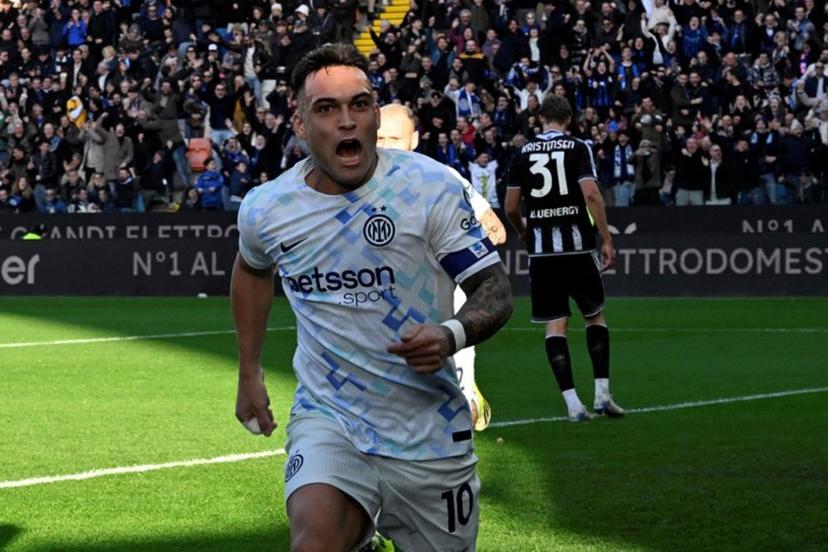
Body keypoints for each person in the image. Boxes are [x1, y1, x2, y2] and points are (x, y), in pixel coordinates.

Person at [231, 44, 513, 552]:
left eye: (359, 105)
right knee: (314, 542)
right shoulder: (268, 209)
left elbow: (493, 289)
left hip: (428, 431)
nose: (346, 121)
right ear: (299, 125)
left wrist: (449, 336)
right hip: (331, 417)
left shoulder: (428, 188)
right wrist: (249, 372)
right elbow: (251, 271)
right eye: (326, 108)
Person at [376, 102, 507, 432]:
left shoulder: (443, 178)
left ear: (414, 140)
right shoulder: (352, 182)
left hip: (443, 300)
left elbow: (495, 229)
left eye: (393, 138)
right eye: (378, 137)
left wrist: (449, 248)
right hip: (383, 303)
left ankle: (468, 400)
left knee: (451, 418)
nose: (384, 146)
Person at [504, 94, 624, 422]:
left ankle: (572, 403)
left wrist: (523, 231)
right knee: (594, 317)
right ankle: (602, 395)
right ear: (568, 119)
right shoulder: (578, 147)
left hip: (543, 253)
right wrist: (607, 238)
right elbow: (590, 193)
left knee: (555, 325)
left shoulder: (522, 153)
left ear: (541, 119)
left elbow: (511, 206)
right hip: (578, 248)